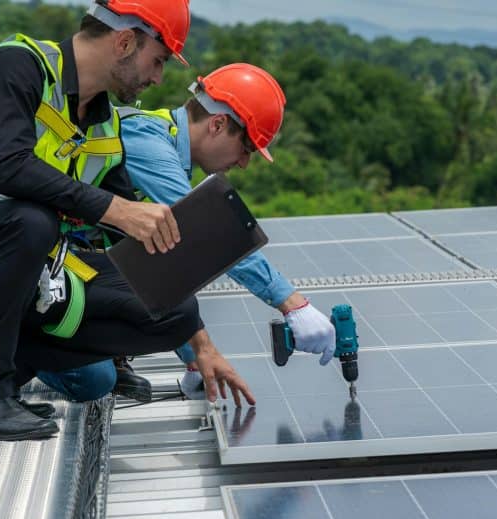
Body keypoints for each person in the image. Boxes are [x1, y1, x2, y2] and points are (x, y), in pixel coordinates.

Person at [0, 0, 253, 442]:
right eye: (157, 61)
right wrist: (119, 210)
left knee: (175, 311)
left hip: (36, 277)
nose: (158, 78)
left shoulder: (103, 127)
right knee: (31, 220)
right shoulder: (14, 67)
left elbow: (129, 235)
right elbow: (9, 168)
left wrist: (201, 344)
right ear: (124, 42)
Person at [37, 63, 336, 402]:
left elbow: (158, 273)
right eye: (247, 148)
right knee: (93, 381)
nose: (244, 163)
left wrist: (196, 357)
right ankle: (10, 345)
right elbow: (208, 234)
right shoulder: (147, 142)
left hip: (65, 268)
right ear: (218, 124)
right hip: (33, 269)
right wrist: (292, 304)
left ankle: (78, 344)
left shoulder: (166, 153)